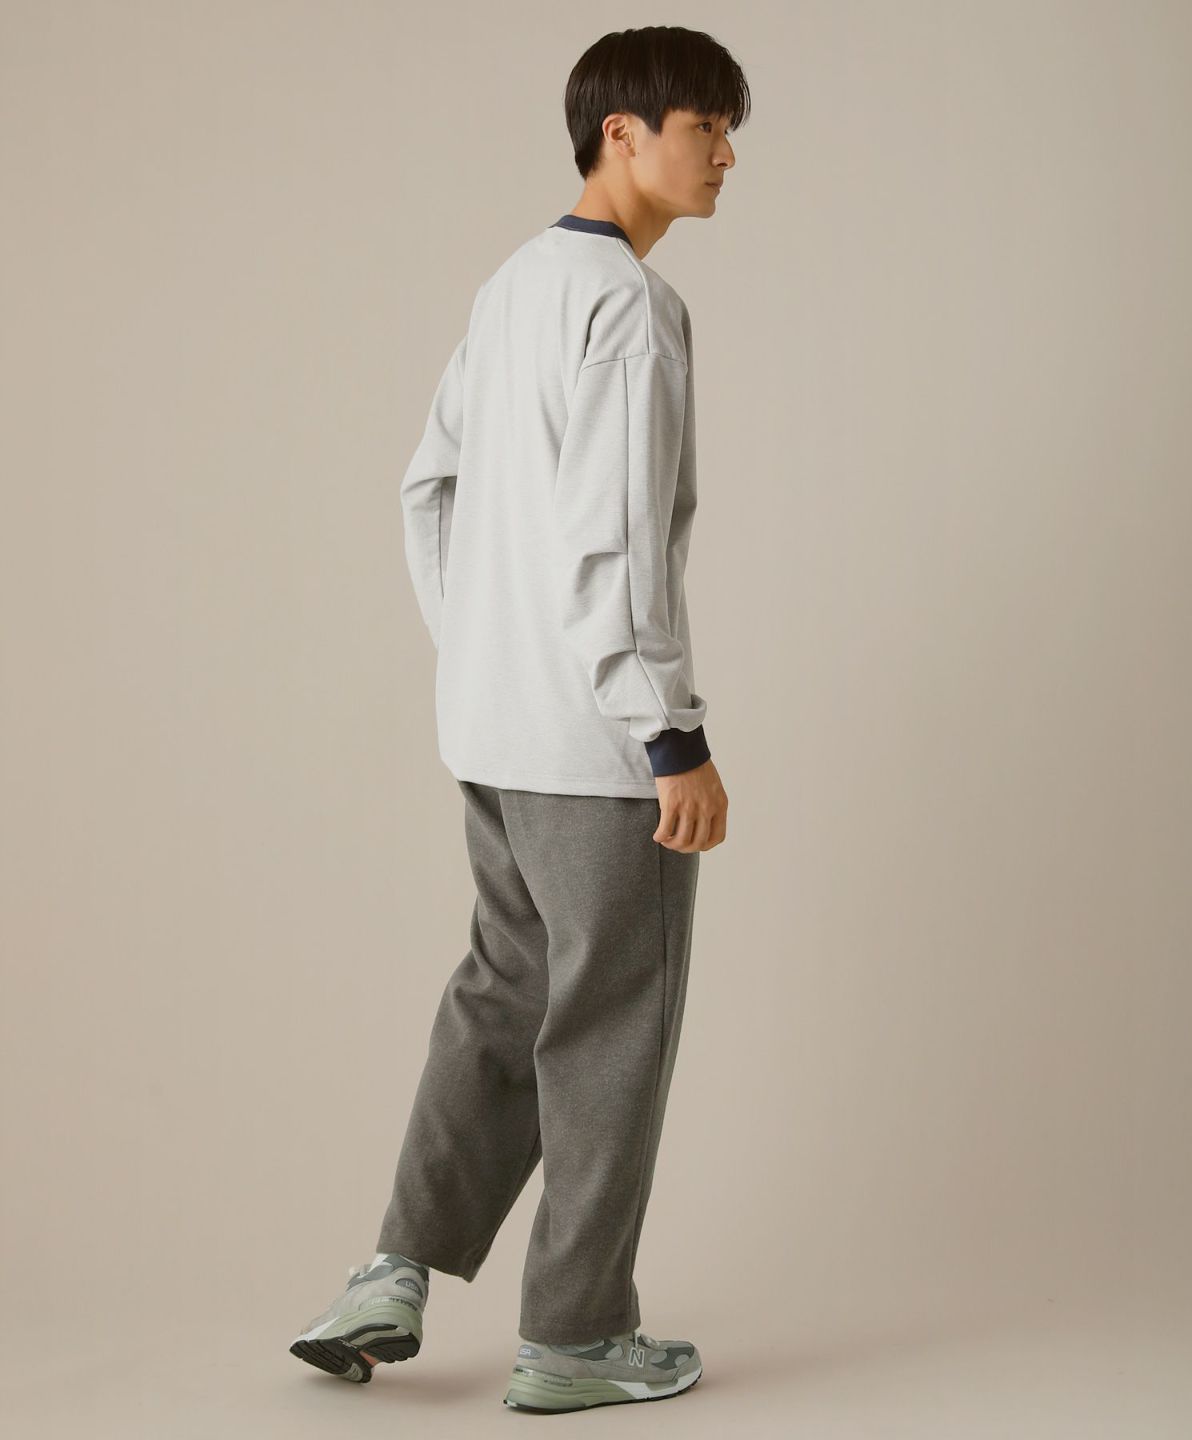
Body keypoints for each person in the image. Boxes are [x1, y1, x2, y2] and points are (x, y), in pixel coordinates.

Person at [289, 23, 748, 1413]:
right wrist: (669, 733)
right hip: (600, 754)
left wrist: (488, 653)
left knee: (503, 998)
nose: (726, 156)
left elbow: (425, 487)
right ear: (623, 134)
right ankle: (578, 1336)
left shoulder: (509, 287)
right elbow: (618, 541)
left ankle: (393, 1270)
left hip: (493, 730)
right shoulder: (629, 306)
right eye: (705, 126)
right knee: (611, 1028)